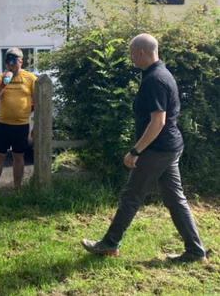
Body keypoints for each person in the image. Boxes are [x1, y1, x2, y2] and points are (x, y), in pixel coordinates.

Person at [81, 34, 208, 263]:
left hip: (157, 150)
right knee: (175, 200)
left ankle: (109, 243)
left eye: (131, 54)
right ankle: (195, 251)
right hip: (169, 148)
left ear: (140, 52)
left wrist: (136, 151)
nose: (130, 58)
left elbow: (157, 122)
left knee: (131, 196)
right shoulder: (160, 73)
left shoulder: (155, 80)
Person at [0, 48, 36, 193]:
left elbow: (38, 101)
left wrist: (37, 125)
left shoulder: (30, 78)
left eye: (13, 61)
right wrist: (3, 84)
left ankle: (17, 189)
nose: (10, 64)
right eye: (8, 61)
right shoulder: (0, 77)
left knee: (18, 156)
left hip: (21, 125)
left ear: (20, 61)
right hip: (3, 124)